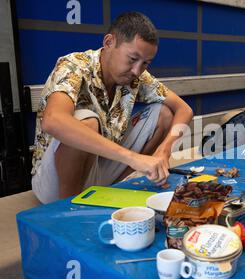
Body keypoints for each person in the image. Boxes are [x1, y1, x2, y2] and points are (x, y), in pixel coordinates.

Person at [31, 12, 193, 204]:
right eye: (132, 59)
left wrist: (164, 150)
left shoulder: (136, 76)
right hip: (53, 185)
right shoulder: (74, 66)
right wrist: (133, 158)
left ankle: (116, 188)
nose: (137, 71)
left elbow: (185, 110)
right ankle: (69, 209)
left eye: (145, 63)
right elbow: (52, 120)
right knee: (87, 121)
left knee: (164, 114)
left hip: (98, 169)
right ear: (109, 42)